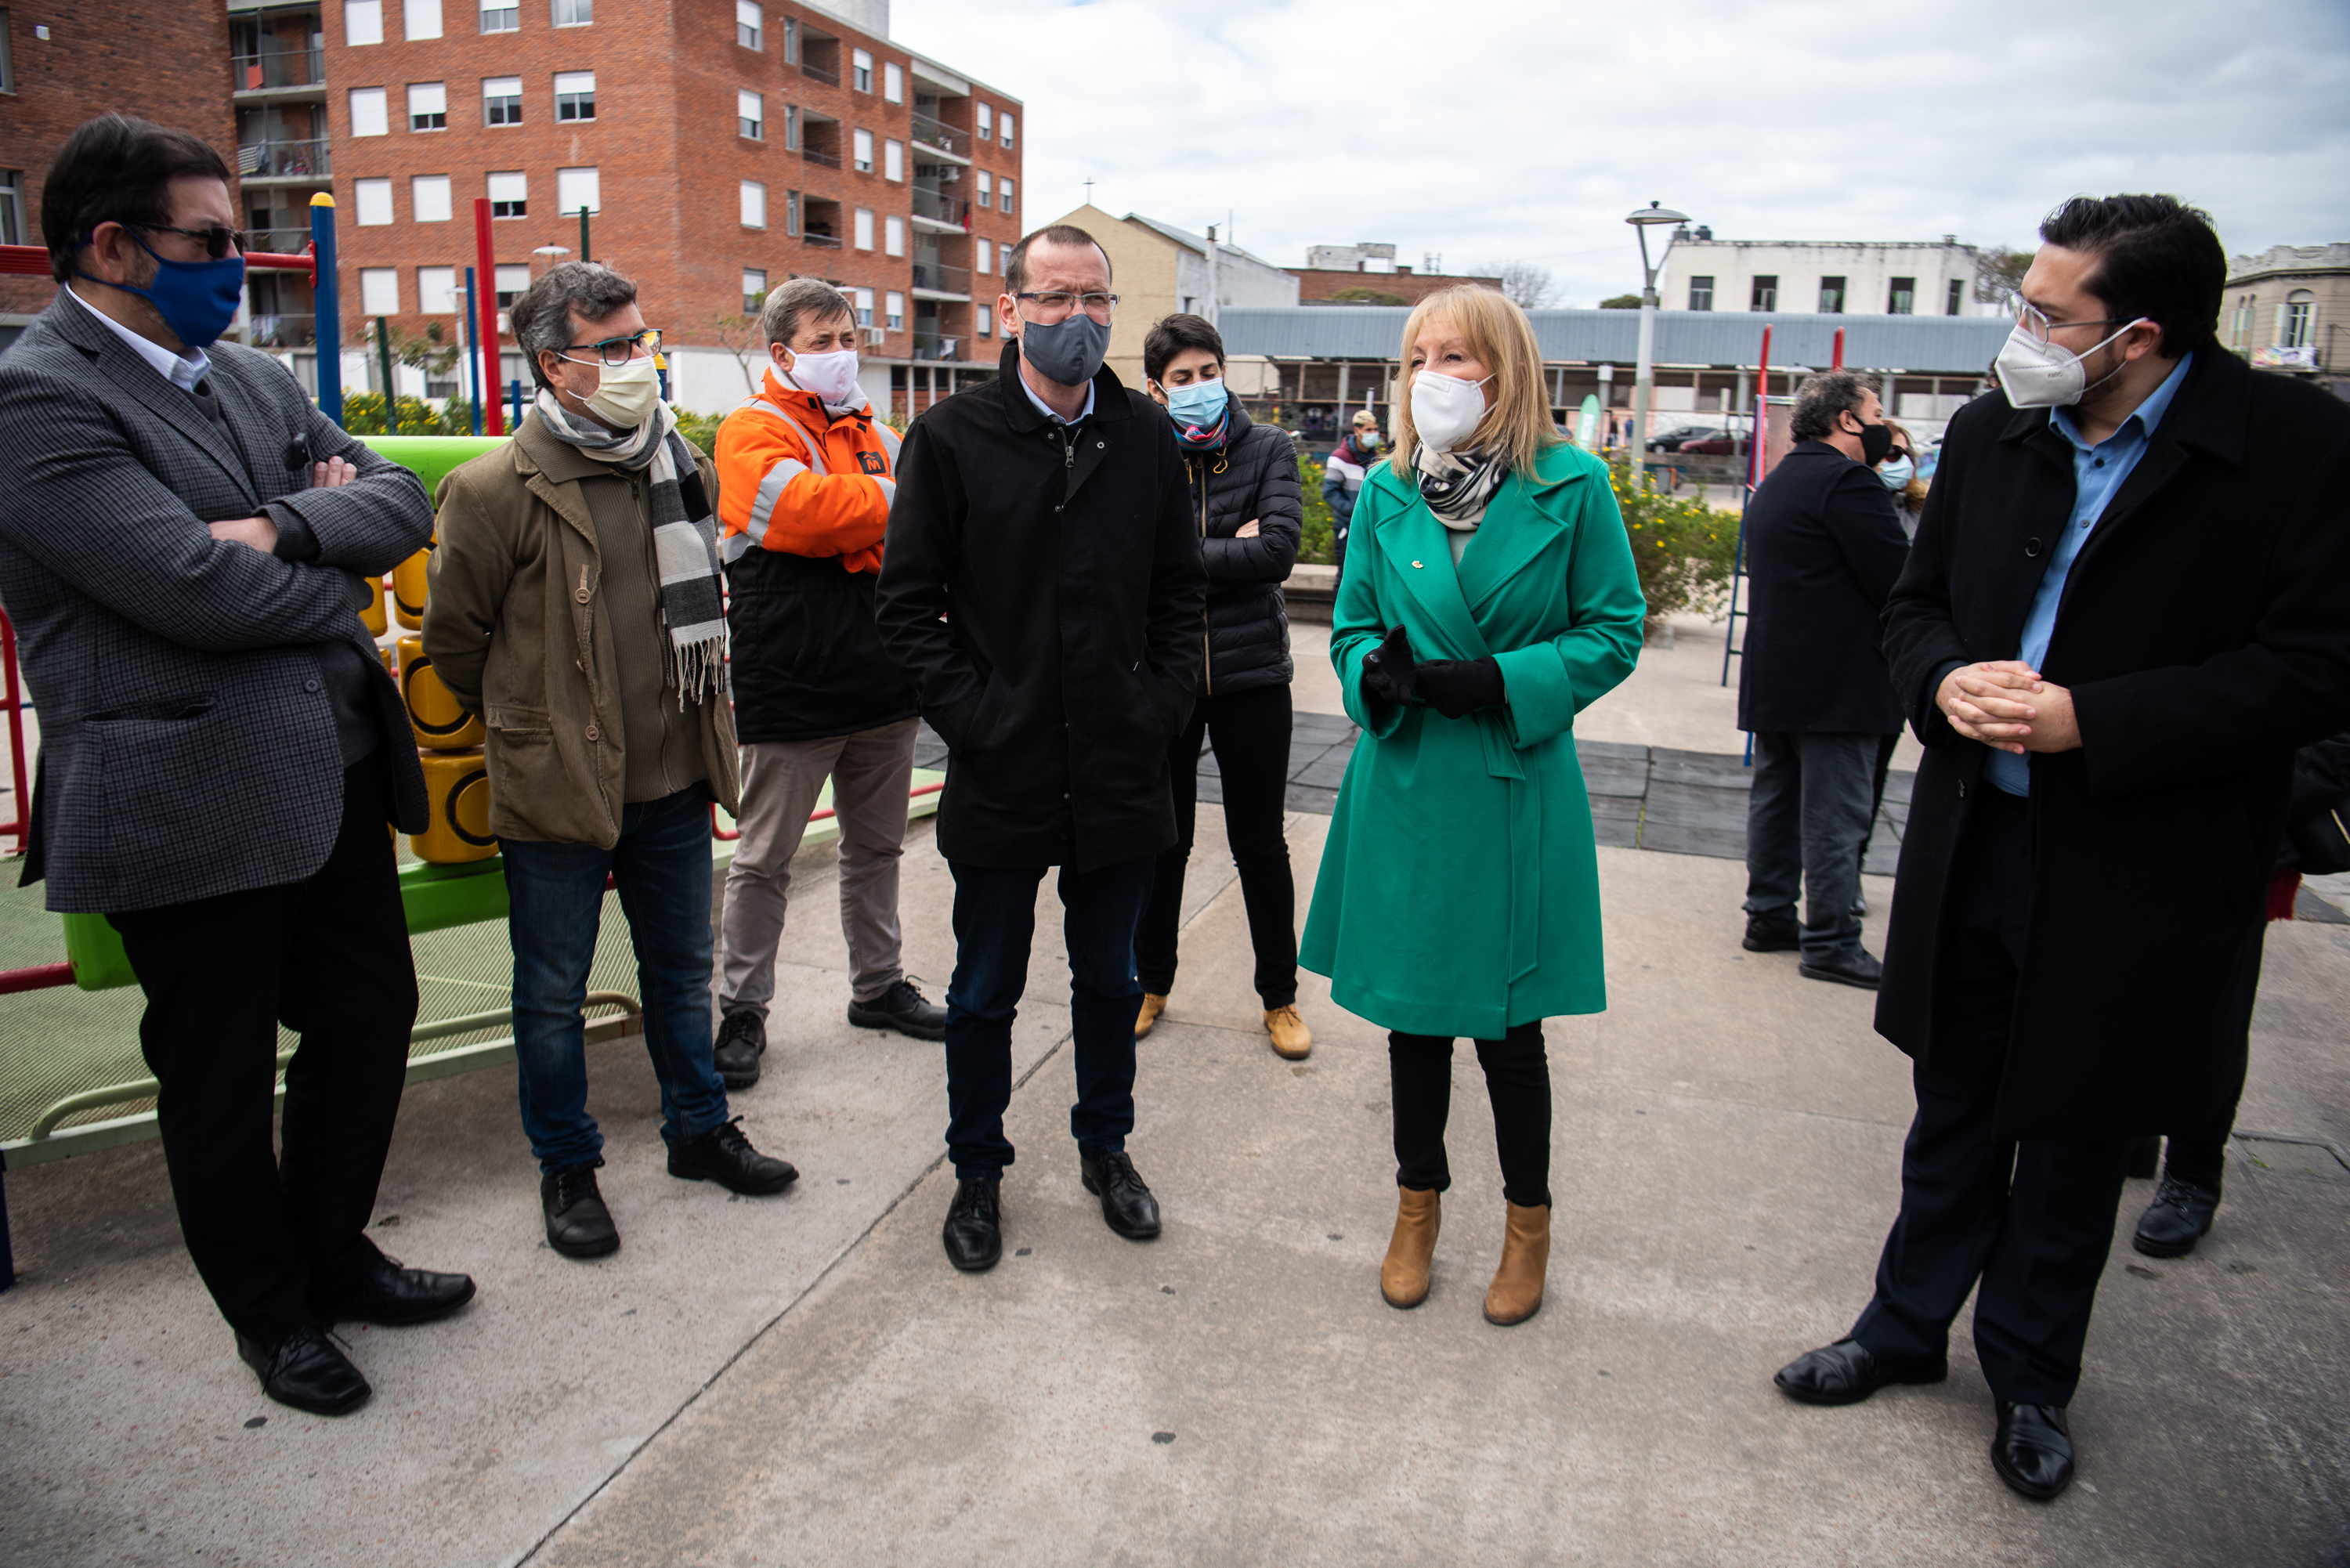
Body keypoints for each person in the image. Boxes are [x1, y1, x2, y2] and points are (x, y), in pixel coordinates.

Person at [1773, 195, 2350, 1503]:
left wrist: (2096, 718)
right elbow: (1915, 609)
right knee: (1955, 1100)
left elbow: (2318, 669)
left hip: (2142, 862)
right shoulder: (1996, 432)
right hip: (1981, 832)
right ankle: (1902, 1325)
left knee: (2081, 1125)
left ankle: (2033, 1372)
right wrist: (1944, 688)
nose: (2020, 332)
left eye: (2047, 312)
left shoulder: (2295, 448)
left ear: (2139, 335)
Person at [0, 115, 472, 1417]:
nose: (237, 262)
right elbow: (187, 587)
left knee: (369, 1023)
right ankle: (272, 1317)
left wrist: (278, 526)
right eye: (209, 241)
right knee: (215, 1080)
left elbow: (398, 502)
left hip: (330, 776)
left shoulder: (253, 377)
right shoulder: (38, 395)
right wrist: (323, 560)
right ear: (109, 244)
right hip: (184, 802)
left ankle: (336, 1256)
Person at [425, 262, 799, 1263]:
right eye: (618, 347)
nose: (644, 361)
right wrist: (538, 723)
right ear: (555, 365)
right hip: (556, 789)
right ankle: (567, 1163)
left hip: (671, 777)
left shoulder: (675, 460)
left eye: (645, 339)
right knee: (550, 991)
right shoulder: (496, 489)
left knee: (682, 975)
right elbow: (454, 644)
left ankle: (699, 1130)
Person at [1299, 285, 1646, 1327]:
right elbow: (1352, 626)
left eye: (1455, 355)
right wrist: (1380, 677)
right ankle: (1417, 1208)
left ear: (1502, 369)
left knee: (1509, 1031)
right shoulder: (1386, 490)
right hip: (1407, 781)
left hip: (1510, 779)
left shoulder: (1573, 486)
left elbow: (1613, 630)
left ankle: (1527, 1222)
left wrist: (1504, 681)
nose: (1431, 376)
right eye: (1416, 357)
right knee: (1411, 1021)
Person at [875, 225, 1207, 1274]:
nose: (1077, 319)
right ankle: (977, 1165)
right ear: (1009, 308)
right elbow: (906, 612)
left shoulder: (1147, 440)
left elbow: (1177, 595)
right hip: (1004, 771)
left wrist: (1153, 708)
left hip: (1120, 771)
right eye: (1053, 299)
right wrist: (981, 717)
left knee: (1110, 979)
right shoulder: (951, 439)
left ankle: (1105, 1147)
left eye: (1094, 300)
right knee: (984, 988)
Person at [710, 278, 945, 1091]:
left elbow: (920, 534)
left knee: (876, 847)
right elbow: (797, 512)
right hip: (794, 679)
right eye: (820, 341)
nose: (841, 352)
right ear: (780, 353)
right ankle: (743, 1010)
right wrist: (884, 505)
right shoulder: (749, 429)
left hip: (884, 676)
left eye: (847, 336)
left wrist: (858, 524)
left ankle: (878, 985)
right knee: (764, 858)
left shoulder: (880, 431)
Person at [1128, 313, 1311, 1060]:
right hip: (1167, 677)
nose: (1200, 388)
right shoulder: (1140, 457)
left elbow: (1275, 552)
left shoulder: (1268, 448)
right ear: (1156, 389)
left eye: (1209, 373)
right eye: (1183, 378)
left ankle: (1281, 997)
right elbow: (1123, 561)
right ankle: (1151, 980)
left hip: (1252, 676)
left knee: (1259, 843)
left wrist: (1178, 556)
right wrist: (1217, 552)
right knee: (1161, 841)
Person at [2127, 728, 2350, 1255]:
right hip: (2143, 807)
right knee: (2125, 990)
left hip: (2244, 821)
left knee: (2211, 1008)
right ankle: (2129, 1134)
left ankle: (2193, 1174)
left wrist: (2250, 799)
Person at [1735, 371, 1911, 988]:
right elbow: (1900, 581)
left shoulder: (1781, 480)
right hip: (1841, 683)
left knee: (1778, 803)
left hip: (1778, 679)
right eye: (1875, 411)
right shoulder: (1848, 482)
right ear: (1846, 420)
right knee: (1836, 816)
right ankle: (1833, 939)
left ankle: (1769, 915)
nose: (1883, 423)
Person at [1319, 408, 1382, 575]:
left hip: (1369, 528)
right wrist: (1353, 511)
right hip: (1346, 527)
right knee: (1345, 576)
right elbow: (1330, 492)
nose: (1373, 433)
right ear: (1357, 430)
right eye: (1369, 429)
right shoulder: (1340, 457)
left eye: (1375, 429)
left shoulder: (1376, 459)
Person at [1879, 418, 1930, 538]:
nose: (1905, 461)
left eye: (1907, 453)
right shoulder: (1846, 506)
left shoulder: (1922, 508)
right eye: (1894, 452)